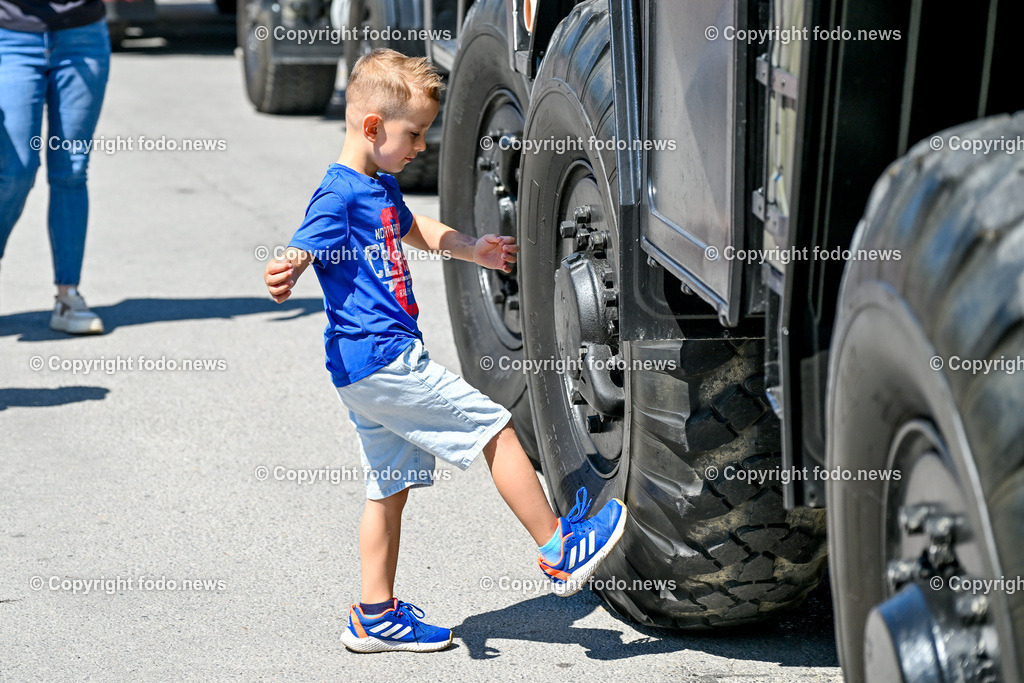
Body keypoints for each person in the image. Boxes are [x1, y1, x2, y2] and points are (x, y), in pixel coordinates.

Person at [263, 48, 628, 653]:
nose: (421, 148)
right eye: (414, 134)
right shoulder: (339, 195)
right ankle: (560, 549)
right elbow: (308, 238)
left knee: (388, 487)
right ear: (373, 127)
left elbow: (413, 229)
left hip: (362, 370)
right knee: (495, 428)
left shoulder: (375, 184)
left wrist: (471, 247)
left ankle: (374, 614)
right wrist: (289, 264)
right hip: (383, 361)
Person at [0, 0, 110, 334]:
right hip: (11, 36)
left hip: (83, 36)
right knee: (15, 167)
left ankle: (68, 296)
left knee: (72, 169)